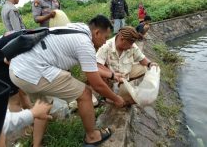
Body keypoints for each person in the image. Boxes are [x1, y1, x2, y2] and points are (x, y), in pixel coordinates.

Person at [9, 15, 125, 147]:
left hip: (17, 71)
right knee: (85, 93)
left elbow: (90, 64)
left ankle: (37, 144)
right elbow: (97, 85)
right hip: (34, 72)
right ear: (97, 32)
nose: (105, 42)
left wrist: (111, 74)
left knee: (44, 103)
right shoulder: (84, 43)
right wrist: (116, 99)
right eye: (105, 38)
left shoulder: (78, 28)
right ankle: (92, 136)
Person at [96, 26, 158, 104]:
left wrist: (150, 64)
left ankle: (124, 85)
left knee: (144, 68)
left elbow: (142, 58)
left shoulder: (132, 46)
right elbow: (97, 66)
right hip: (112, 78)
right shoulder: (106, 46)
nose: (132, 46)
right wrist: (112, 75)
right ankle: (109, 95)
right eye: (130, 43)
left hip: (125, 75)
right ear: (122, 39)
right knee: (131, 98)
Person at [0, 31, 32, 112]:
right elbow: (8, 61)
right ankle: (22, 123)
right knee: (14, 101)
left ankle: (32, 116)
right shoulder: (29, 40)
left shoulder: (31, 36)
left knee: (22, 93)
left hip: (2, 60)